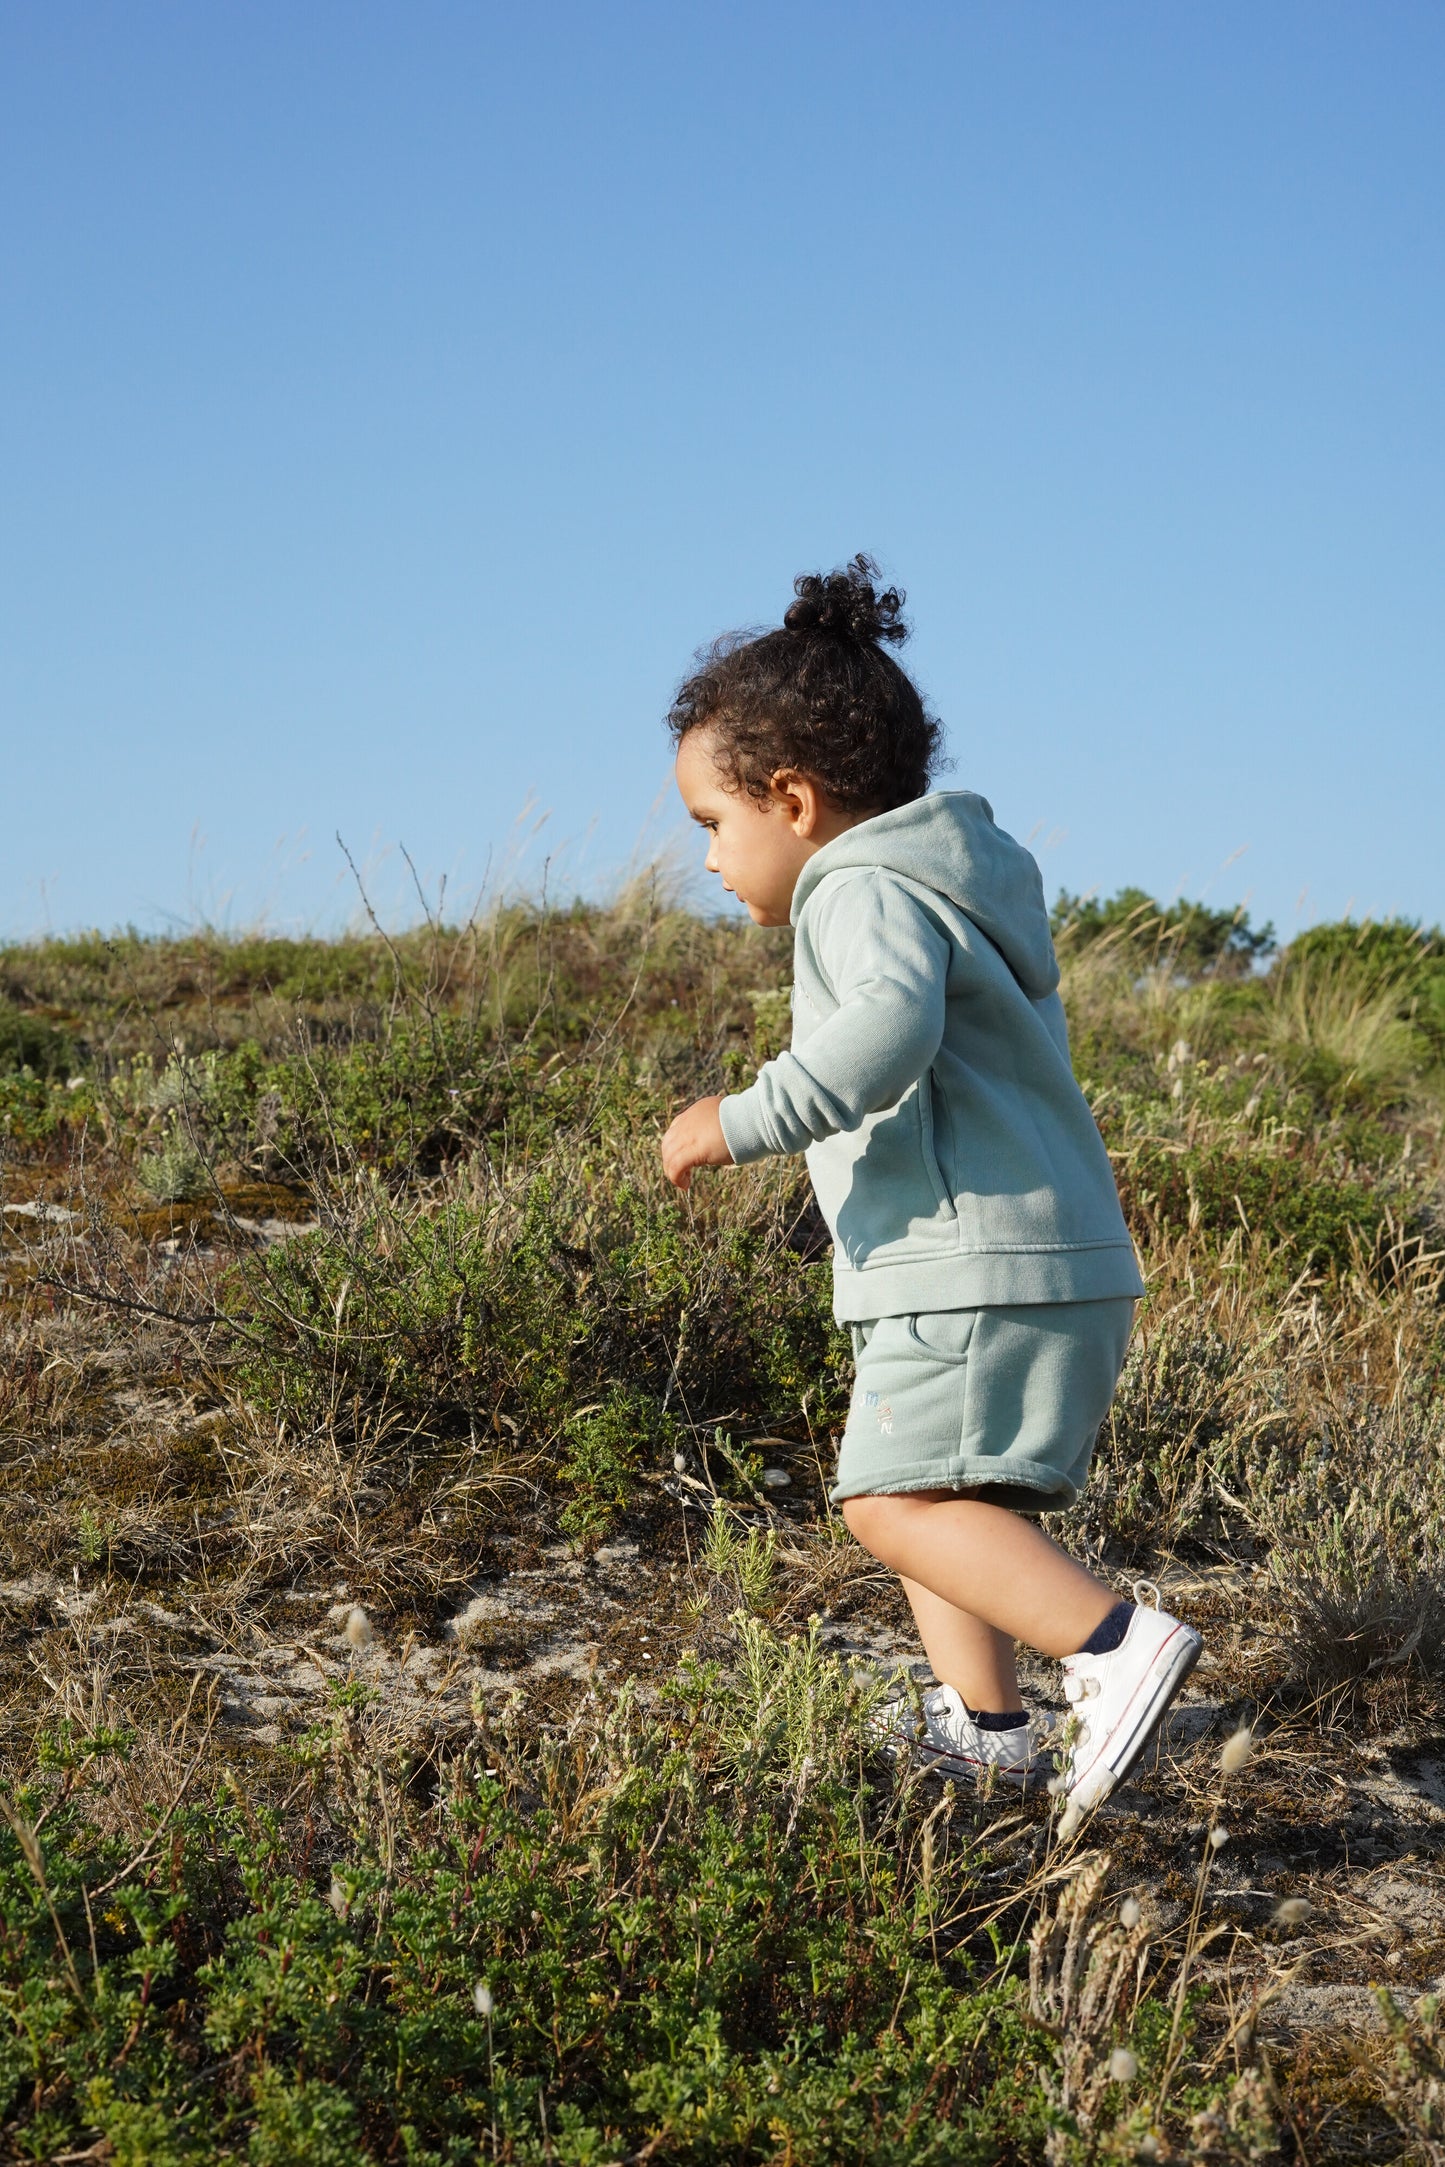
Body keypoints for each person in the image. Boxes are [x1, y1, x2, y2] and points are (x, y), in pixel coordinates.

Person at [660, 555, 1200, 1815]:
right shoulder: (961, 881)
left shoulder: (856, 888)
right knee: (944, 1500)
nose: (706, 861)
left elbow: (880, 1039)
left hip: (970, 1264)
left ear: (789, 798)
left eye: (709, 826)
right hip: (1045, 1260)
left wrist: (735, 1120)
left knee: (890, 1502)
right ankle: (987, 1729)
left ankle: (1115, 1648)